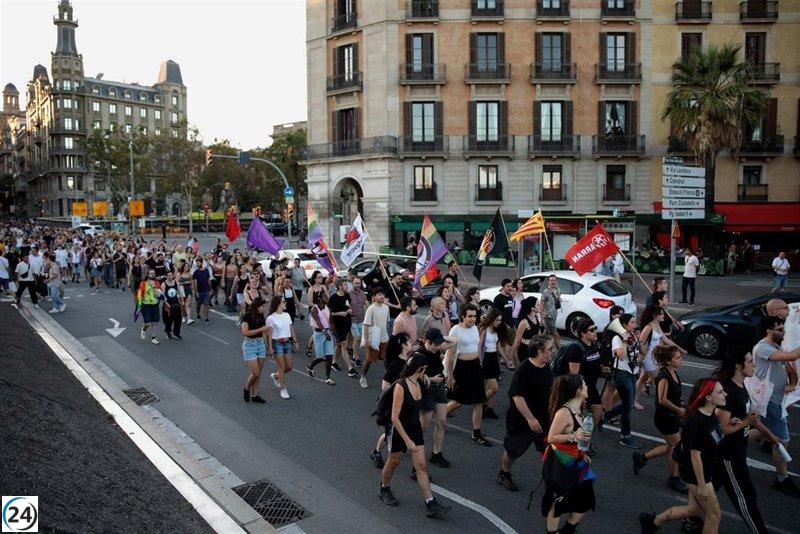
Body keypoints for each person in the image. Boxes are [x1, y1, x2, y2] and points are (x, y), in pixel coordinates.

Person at [639, 378, 727, 534]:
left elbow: (713, 438)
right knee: (714, 516)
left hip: (700, 472)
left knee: (694, 511)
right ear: (708, 397)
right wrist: (702, 486)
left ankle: (654, 521)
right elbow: (695, 455)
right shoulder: (697, 420)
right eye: (720, 392)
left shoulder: (710, 414)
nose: (725, 394)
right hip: (698, 475)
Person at [711, 349, 778, 533]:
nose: (754, 364)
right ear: (738, 366)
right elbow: (725, 428)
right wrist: (747, 422)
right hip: (728, 455)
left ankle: (661, 520)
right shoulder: (727, 391)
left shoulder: (741, 386)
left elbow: (750, 418)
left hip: (737, 450)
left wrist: (769, 435)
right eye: (750, 361)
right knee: (746, 499)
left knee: (707, 494)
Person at [379, 354, 452, 519]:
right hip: (400, 431)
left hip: (414, 429)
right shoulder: (401, 386)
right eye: (424, 370)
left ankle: (430, 503)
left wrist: (429, 378)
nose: (425, 372)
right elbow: (394, 417)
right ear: (419, 368)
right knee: (393, 462)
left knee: (422, 466)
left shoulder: (419, 382)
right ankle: (384, 488)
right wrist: (407, 440)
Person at [497, 335, 555, 492]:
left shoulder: (546, 366)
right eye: (550, 349)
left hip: (543, 418)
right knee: (513, 450)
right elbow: (517, 396)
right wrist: (530, 419)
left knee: (548, 449)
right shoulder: (524, 370)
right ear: (539, 351)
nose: (553, 351)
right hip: (523, 420)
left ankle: (550, 481)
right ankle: (504, 473)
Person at [542, 374, 596, 534]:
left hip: (576, 461)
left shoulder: (578, 408)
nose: (588, 387)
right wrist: (573, 435)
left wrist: (583, 453)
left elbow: (581, 438)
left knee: (586, 500)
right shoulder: (564, 413)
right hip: (562, 463)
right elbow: (551, 437)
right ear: (578, 390)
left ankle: (567, 530)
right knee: (560, 502)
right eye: (585, 385)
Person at [753, 316, 800, 496]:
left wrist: (792, 384)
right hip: (769, 402)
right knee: (782, 440)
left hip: (775, 401)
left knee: (762, 430)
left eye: (783, 328)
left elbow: (790, 370)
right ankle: (782, 479)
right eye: (779, 329)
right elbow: (793, 356)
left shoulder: (776, 347)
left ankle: (729, 442)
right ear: (768, 331)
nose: (783, 332)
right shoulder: (764, 347)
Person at [633, 345, 688, 494]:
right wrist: (679, 409)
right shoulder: (664, 376)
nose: (681, 359)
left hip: (672, 416)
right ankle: (673, 478)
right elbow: (662, 399)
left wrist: (681, 403)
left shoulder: (674, 373)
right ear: (669, 361)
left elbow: (674, 395)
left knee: (671, 446)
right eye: (677, 358)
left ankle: (641, 458)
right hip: (665, 417)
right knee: (677, 446)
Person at [445, 304, 492, 447]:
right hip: (461, 368)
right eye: (470, 316)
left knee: (478, 401)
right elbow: (450, 355)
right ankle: (441, 416)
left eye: (474, 316)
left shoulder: (475, 329)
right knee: (459, 401)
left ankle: (476, 434)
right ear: (463, 316)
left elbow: (477, 347)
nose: (473, 319)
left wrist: (480, 364)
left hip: (475, 368)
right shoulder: (456, 330)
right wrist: (450, 376)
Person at [636, 306, 687, 409]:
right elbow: (640, 343)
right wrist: (644, 357)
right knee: (660, 382)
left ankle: (633, 400)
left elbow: (666, 340)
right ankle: (667, 404)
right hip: (649, 360)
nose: (664, 315)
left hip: (654, 358)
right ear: (655, 315)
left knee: (642, 379)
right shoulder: (648, 327)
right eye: (662, 314)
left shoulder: (657, 325)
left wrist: (680, 349)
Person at [604, 313, 642, 449]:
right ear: (625, 325)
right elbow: (620, 355)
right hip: (622, 374)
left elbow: (640, 351)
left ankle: (606, 416)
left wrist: (638, 341)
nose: (635, 324)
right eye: (632, 322)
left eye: (635, 322)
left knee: (629, 404)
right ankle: (625, 437)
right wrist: (625, 341)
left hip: (632, 373)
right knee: (628, 407)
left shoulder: (632, 336)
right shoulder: (617, 338)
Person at [564, 319, 602, 455]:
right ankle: (577, 441)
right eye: (592, 330)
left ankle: (584, 440)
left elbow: (596, 362)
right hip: (580, 389)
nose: (595, 332)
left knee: (598, 413)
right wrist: (580, 396)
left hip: (591, 387)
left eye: (595, 328)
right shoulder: (576, 348)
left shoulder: (594, 344)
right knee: (577, 418)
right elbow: (574, 375)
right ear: (583, 333)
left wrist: (603, 369)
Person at [417, 329, 450, 470]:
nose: (438, 348)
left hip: (439, 388)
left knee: (442, 422)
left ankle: (436, 453)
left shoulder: (435, 349)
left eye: (439, 344)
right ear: (427, 342)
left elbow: (454, 341)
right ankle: (411, 445)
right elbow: (415, 377)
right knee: (424, 426)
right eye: (435, 345)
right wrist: (432, 379)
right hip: (426, 391)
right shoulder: (419, 355)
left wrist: (442, 338)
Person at [477, 309, 510, 419]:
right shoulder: (484, 330)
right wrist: (479, 360)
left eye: (500, 320)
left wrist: (506, 359)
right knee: (495, 388)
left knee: (490, 386)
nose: (498, 322)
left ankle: (488, 408)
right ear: (491, 319)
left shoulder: (496, 330)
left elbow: (498, 346)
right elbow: (479, 345)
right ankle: (480, 403)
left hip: (493, 358)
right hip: (485, 358)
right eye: (496, 320)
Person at [266, 295, 299, 399]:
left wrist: (295, 341)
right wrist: (270, 347)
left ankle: (276, 376)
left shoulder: (287, 315)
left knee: (289, 367)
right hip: (277, 343)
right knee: (282, 367)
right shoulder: (271, 318)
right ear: (278, 304)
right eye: (284, 302)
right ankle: (283, 389)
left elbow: (291, 328)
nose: (286, 303)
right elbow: (269, 334)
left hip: (287, 342)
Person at [360, 288, 390, 389]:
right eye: (379, 294)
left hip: (384, 338)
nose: (382, 296)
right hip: (374, 339)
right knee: (369, 360)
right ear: (374, 297)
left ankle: (387, 379)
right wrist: (367, 340)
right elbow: (366, 325)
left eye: (383, 295)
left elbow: (386, 322)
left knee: (386, 360)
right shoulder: (371, 309)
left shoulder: (386, 308)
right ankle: (363, 377)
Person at [241, 297, 269, 404]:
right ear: (257, 307)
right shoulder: (246, 316)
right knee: (255, 372)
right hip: (249, 345)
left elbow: (264, 332)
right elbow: (245, 332)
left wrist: (267, 346)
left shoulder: (261, 315)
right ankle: (247, 389)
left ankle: (255, 395)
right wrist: (261, 329)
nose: (264, 308)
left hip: (260, 344)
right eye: (263, 307)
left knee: (259, 373)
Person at [329, 278, 357, 377]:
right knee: (344, 345)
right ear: (340, 286)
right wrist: (341, 313)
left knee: (339, 344)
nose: (347, 287)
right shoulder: (333, 298)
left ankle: (334, 362)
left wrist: (350, 310)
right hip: (337, 325)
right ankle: (350, 368)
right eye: (345, 285)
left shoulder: (347, 295)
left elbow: (349, 306)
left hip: (347, 323)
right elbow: (329, 313)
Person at [308, 291, 336, 385]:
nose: (326, 297)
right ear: (320, 298)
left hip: (327, 332)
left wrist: (335, 334)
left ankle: (328, 378)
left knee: (329, 356)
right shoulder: (314, 309)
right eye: (324, 296)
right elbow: (318, 321)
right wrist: (324, 332)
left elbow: (331, 322)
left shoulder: (328, 308)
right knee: (320, 357)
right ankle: (310, 366)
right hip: (319, 334)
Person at [510, 296, 543, 369]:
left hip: (534, 350)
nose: (540, 306)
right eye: (538, 304)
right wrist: (516, 362)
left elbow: (539, 335)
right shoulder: (524, 322)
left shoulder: (536, 318)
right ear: (532, 308)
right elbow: (516, 342)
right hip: (525, 351)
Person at [138, 269, 163, 345]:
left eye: (153, 273)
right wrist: (139, 306)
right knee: (148, 323)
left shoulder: (157, 283)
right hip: (146, 305)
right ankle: (144, 328)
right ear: (148, 275)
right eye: (151, 273)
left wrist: (155, 287)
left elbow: (159, 295)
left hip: (155, 304)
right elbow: (139, 295)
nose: (152, 275)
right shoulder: (143, 283)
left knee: (154, 322)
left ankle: (153, 338)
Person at [349, 275, 367, 369]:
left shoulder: (363, 294)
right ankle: (355, 358)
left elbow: (367, 305)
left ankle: (354, 354)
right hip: (352, 320)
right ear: (352, 283)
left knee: (359, 339)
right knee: (357, 338)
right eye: (356, 283)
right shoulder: (348, 294)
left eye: (359, 283)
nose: (357, 285)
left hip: (361, 319)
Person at [541, 274, 562, 347]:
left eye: (554, 280)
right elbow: (542, 304)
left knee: (546, 333)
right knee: (556, 335)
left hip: (554, 315)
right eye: (551, 280)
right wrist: (542, 318)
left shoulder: (558, 290)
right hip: (548, 316)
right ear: (548, 282)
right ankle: (560, 351)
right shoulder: (546, 291)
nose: (553, 282)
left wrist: (559, 299)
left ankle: (539, 344)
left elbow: (557, 300)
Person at [162, 271, 183, 340]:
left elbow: (179, 291)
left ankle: (176, 333)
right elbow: (163, 296)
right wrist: (166, 303)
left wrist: (182, 299)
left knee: (178, 319)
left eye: (171, 275)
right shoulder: (164, 284)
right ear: (166, 276)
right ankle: (168, 333)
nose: (171, 276)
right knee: (168, 320)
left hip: (176, 303)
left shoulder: (176, 282)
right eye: (169, 275)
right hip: (168, 304)